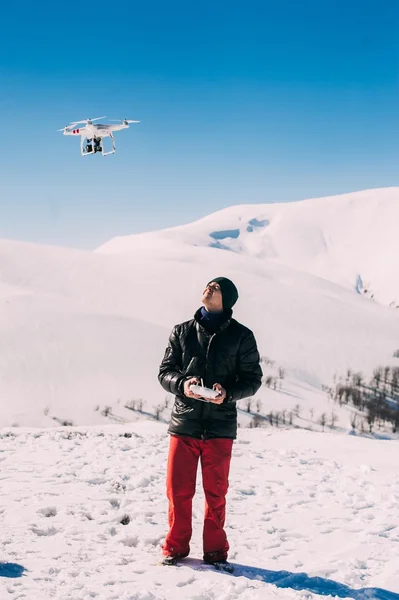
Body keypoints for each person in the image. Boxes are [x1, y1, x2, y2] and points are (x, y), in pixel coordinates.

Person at [158, 277, 262, 569]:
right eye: (208, 284)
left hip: (220, 426)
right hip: (184, 423)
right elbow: (165, 371)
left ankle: (215, 552)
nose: (208, 288)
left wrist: (227, 394)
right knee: (178, 490)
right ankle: (175, 547)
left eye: (216, 287)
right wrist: (183, 384)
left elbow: (253, 380)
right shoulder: (182, 331)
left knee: (216, 493)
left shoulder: (242, 336)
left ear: (226, 299)